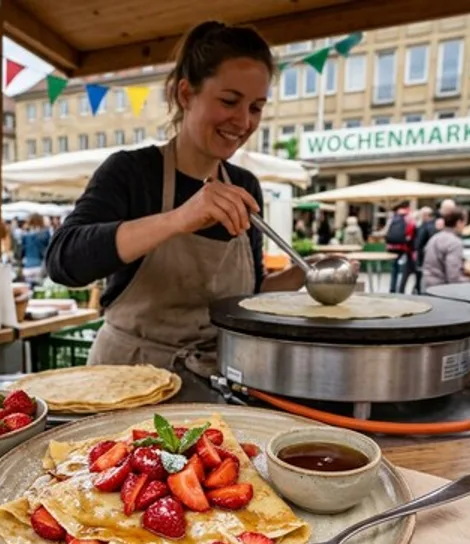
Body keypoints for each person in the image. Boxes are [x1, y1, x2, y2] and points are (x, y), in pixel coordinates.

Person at [45, 21, 342, 377]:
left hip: (215, 379)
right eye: (230, 101)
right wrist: (179, 218)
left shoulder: (244, 184)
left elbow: (250, 291)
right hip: (126, 377)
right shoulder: (132, 171)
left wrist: (306, 274)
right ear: (185, 95)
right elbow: (64, 261)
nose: (243, 121)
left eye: (256, 107)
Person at [421, 209, 469, 291]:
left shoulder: (434, 238)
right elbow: (453, 276)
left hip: (427, 285)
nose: (465, 225)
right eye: (464, 222)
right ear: (458, 223)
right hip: (442, 289)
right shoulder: (454, 242)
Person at [20, 214, 52, 286]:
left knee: (28, 291)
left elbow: (22, 251)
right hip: (40, 266)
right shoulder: (45, 233)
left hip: (27, 266)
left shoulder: (25, 235)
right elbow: (49, 250)